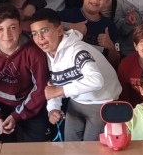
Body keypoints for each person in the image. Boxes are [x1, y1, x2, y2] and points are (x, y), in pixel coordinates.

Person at [30, 8, 122, 141]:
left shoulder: (77, 50)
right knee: (70, 146)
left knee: (90, 149)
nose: (40, 37)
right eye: (34, 33)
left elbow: (96, 80)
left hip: (102, 101)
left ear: (59, 30)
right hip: (77, 102)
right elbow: (54, 87)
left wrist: (59, 91)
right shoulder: (47, 54)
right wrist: (53, 108)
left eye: (45, 31)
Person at [0, 4, 50, 143]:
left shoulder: (33, 51)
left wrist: (16, 116)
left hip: (29, 105)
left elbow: (40, 89)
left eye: (12, 28)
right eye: (0, 29)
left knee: (40, 150)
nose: (7, 35)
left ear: (20, 28)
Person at [59, 0, 121, 68]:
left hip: (98, 73)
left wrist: (111, 47)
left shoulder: (110, 26)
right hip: (67, 71)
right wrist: (68, 26)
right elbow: (42, 25)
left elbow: (116, 63)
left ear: (107, 1)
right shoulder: (67, 15)